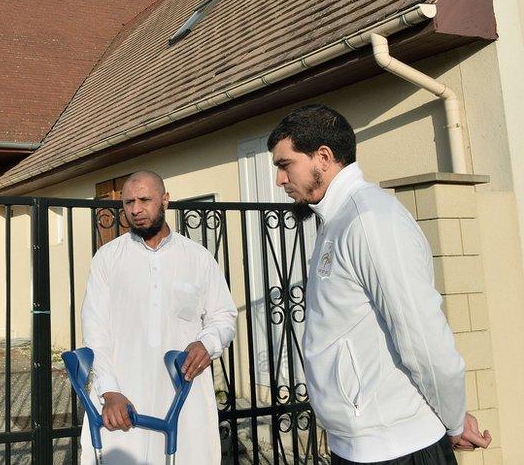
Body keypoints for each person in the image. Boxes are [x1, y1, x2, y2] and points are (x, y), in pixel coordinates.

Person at [268, 104, 491, 464]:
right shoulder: (336, 219)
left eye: (284, 165)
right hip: (360, 444)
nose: (279, 180)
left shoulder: (369, 221)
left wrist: (453, 419)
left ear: (323, 157)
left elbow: (422, 335)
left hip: (397, 447)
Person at [80, 170, 237, 464]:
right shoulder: (108, 259)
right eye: (128, 203)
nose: (135, 210)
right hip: (124, 399)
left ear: (165, 200)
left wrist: (208, 343)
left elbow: (224, 316)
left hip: (184, 399)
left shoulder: (197, 257)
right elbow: (94, 330)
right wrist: (109, 391)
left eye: (144, 200)